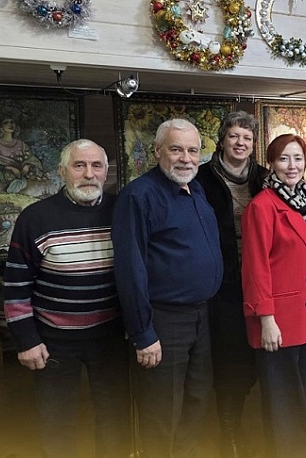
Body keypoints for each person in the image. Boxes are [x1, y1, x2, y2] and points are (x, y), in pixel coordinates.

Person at [3, 139, 130, 458]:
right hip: (54, 339)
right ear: (62, 172)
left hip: (111, 335)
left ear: (106, 173)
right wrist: (26, 340)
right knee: (56, 419)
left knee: (115, 416)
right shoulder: (35, 218)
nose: (89, 174)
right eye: (79, 165)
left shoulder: (123, 210)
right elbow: (16, 284)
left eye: (97, 166)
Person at [112, 119, 223, 458]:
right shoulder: (139, 195)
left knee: (196, 400)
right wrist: (143, 332)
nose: (186, 158)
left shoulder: (195, 188)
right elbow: (130, 268)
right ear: (158, 151)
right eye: (176, 149)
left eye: (193, 150)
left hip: (201, 315)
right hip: (163, 320)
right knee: (161, 409)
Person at [242, 133, 306, 458]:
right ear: (271, 164)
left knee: (301, 392)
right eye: (283, 159)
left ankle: (299, 447)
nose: (291, 166)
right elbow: (255, 268)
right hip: (278, 319)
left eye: (297, 158)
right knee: (282, 398)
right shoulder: (262, 206)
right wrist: (266, 319)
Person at [195, 111, 267, 457]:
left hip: (259, 278)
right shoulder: (200, 179)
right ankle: (229, 427)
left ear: (254, 145)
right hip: (220, 282)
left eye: (247, 139)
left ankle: (257, 418)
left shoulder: (265, 178)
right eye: (235, 136)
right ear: (222, 139)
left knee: (257, 353)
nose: (240, 143)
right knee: (228, 356)